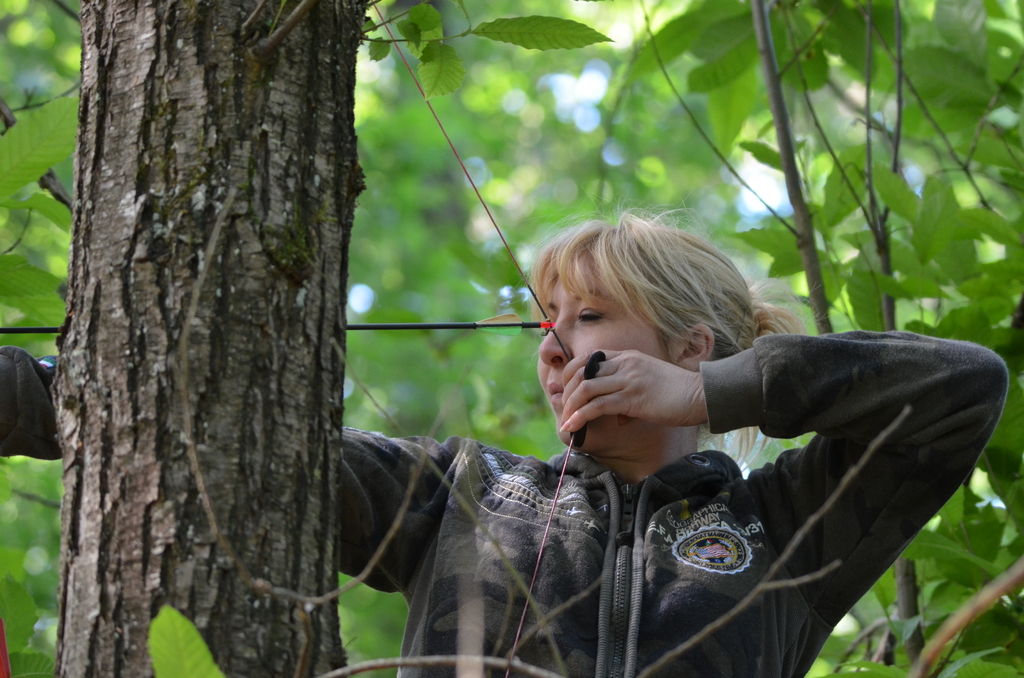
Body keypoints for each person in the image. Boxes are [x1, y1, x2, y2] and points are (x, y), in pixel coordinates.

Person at [0, 214, 1009, 678]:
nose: (553, 344)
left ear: (689, 346)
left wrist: (715, 393)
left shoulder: (784, 523)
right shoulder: (462, 490)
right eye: (544, 323)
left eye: (589, 316)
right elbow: (196, 433)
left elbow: (963, 387)